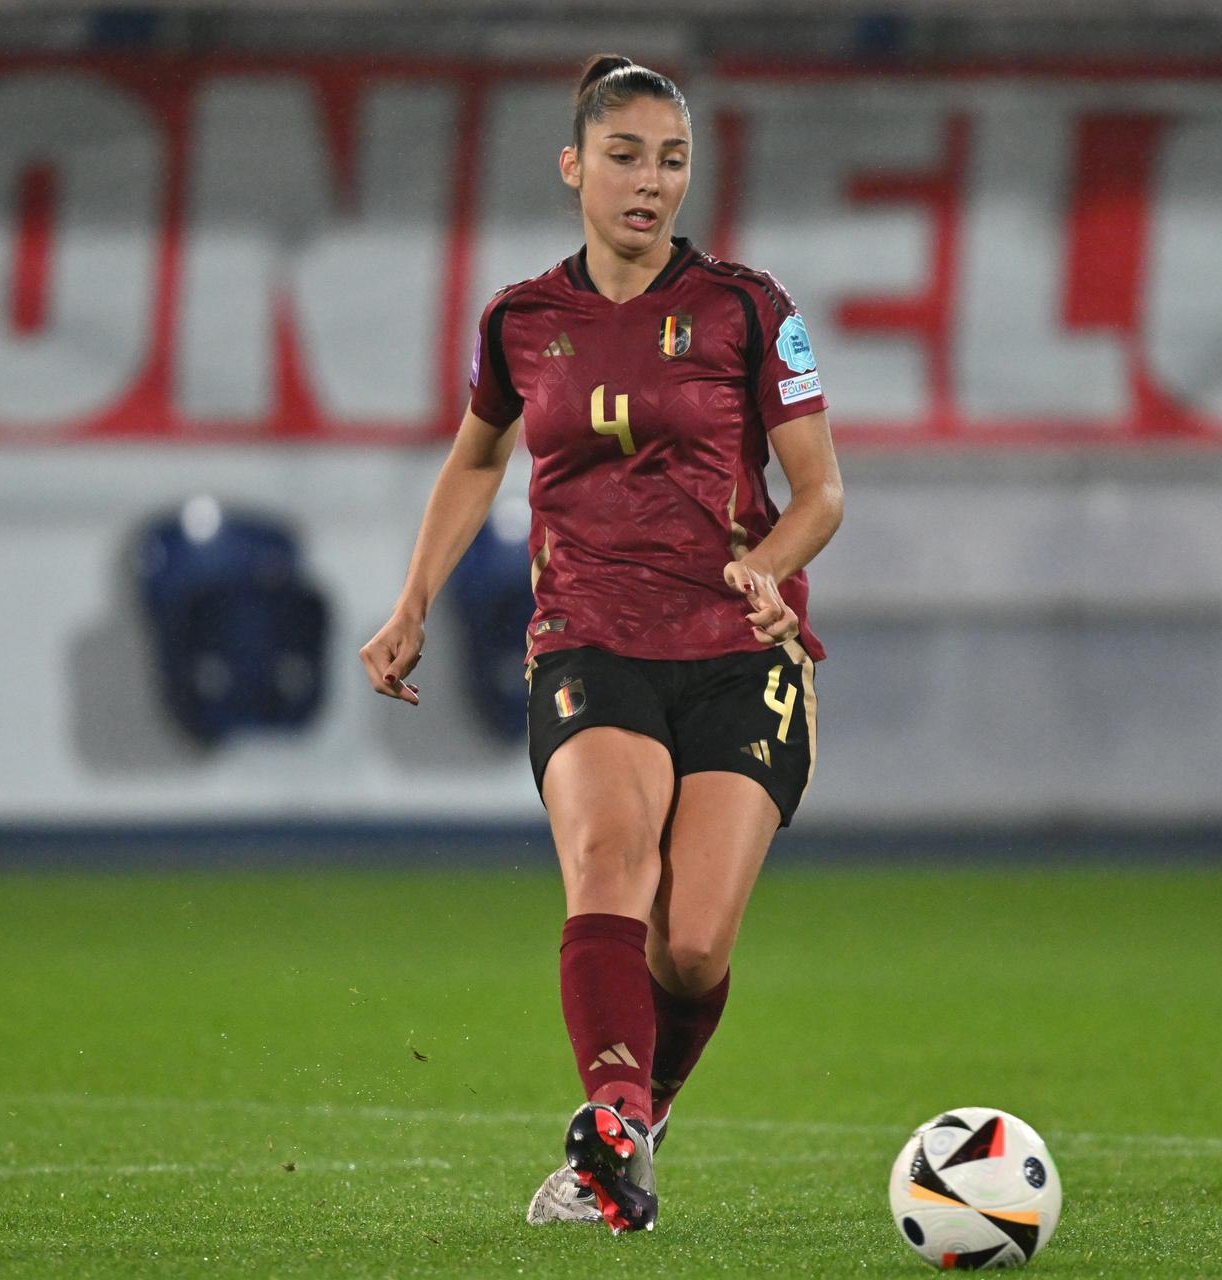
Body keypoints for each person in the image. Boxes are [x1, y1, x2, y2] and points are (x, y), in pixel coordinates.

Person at [358, 53, 844, 1235]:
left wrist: (767, 570)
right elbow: (479, 456)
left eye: (671, 159)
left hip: (739, 649)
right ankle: (610, 1118)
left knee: (690, 945)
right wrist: (413, 597)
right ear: (574, 165)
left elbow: (820, 492)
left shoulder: (746, 307)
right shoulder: (523, 319)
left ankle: (644, 1110)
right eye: (624, 155)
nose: (650, 181)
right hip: (588, 639)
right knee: (611, 856)